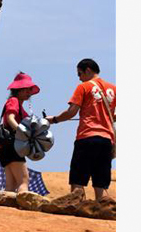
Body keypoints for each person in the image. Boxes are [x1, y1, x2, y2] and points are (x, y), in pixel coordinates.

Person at [45, 58, 116, 201]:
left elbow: (71, 112)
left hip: (87, 137)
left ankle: (76, 212)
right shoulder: (113, 89)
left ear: (88, 70)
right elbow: (114, 116)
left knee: (78, 178)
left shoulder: (83, 87)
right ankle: (101, 211)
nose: (79, 78)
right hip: (107, 140)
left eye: (79, 74)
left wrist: (54, 119)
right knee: (100, 183)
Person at [0, 72, 40, 194]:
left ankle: (5, 208)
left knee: (11, 184)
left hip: (4, 147)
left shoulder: (16, 103)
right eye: (26, 89)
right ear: (18, 90)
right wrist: (22, 132)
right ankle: (24, 206)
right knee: (23, 181)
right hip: (12, 145)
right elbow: (10, 118)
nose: (29, 92)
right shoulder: (14, 101)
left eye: (30, 89)